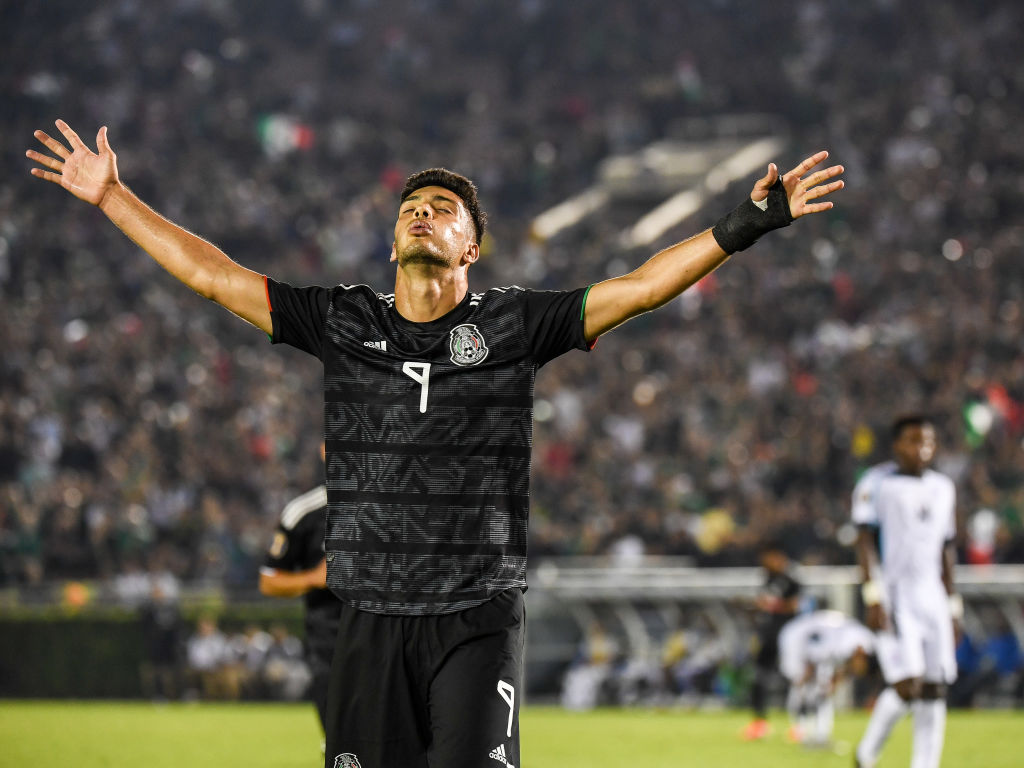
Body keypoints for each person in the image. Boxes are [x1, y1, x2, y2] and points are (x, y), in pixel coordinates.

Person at [28, 119, 843, 768]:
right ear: (392, 244)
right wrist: (113, 199)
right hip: (369, 615)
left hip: (475, 613)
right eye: (411, 207)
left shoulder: (515, 324)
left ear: (471, 248)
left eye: (443, 209)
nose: (422, 212)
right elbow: (214, 276)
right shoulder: (342, 321)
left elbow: (640, 288)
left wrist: (744, 224)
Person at [852, 415, 961, 768]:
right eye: (913, 441)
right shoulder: (876, 483)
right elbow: (865, 541)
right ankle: (867, 753)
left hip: (933, 595)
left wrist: (953, 605)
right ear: (897, 445)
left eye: (927, 442)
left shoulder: (943, 487)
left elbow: (946, 548)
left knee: (935, 687)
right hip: (896, 594)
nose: (922, 449)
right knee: (907, 684)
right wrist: (873, 595)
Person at [259, 446, 341, 733]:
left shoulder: (390, 506)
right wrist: (313, 578)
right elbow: (269, 580)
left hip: (383, 637)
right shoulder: (303, 512)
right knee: (339, 739)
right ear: (324, 450)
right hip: (329, 640)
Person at [777, 609, 875, 747]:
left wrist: (833, 682)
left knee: (821, 690)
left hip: (811, 640)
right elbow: (815, 659)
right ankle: (801, 730)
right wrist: (809, 677)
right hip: (796, 640)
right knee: (801, 686)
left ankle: (819, 735)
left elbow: (848, 667)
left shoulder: (865, 642)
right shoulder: (843, 644)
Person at [742, 539, 802, 741]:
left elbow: (795, 606)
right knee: (759, 675)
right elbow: (763, 607)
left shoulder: (791, 579)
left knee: (794, 678)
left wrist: (772, 605)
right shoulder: (767, 578)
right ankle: (759, 723)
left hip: (788, 635)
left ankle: (799, 725)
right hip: (767, 635)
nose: (764, 561)